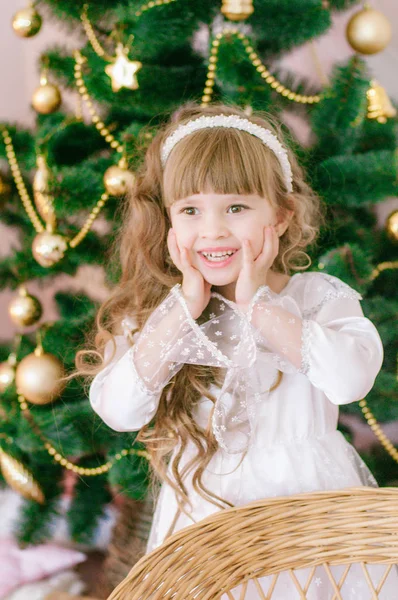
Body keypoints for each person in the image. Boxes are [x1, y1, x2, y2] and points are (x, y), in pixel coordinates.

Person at [79, 102, 396, 598]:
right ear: (168, 224)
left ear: (282, 214)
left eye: (236, 207)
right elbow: (118, 410)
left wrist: (258, 305)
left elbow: (350, 380)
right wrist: (183, 308)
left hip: (308, 512)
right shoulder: (158, 316)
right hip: (207, 521)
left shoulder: (315, 297)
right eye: (190, 211)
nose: (213, 231)